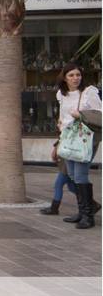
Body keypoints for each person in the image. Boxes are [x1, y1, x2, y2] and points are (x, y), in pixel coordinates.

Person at [54, 62, 102, 229]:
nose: (75, 78)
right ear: (65, 78)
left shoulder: (89, 92)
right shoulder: (62, 94)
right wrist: (61, 126)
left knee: (80, 175)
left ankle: (88, 216)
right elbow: (62, 115)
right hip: (68, 139)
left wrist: (80, 115)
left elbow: (99, 115)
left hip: (85, 139)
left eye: (78, 75)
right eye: (71, 75)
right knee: (73, 175)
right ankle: (83, 212)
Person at [41, 140, 78, 216]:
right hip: (65, 161)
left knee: (58, 185)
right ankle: (91, 203)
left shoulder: (70, 131)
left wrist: (56, 150)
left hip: (68, 162)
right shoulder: (64, 133)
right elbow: (60, 139)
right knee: (72, 187)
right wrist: (55, 149)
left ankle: (54, 208)